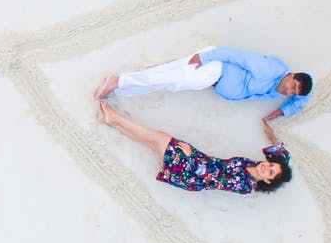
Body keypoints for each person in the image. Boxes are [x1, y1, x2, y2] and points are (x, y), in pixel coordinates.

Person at [96, 102, 292, 194]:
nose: (267, 167)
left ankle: (114, 118)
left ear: (268, 180)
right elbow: (278, 153)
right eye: (270, 164)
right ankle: (113, 122)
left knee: (158, 139)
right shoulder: (256, 164)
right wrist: (280, 158)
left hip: (192, 173)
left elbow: (210, 177)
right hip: (200, 159)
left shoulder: (244, 185)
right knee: (153, 142)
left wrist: (189, 156)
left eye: (270, 172)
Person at [95, 46, 314, 123]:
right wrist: (205, 57)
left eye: (293, 91)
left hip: (212, 79)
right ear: (290, 75)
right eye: (292, 84)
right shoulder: (269, 69)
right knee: (171, 80)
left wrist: (279, 113)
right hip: (215, 67)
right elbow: (237, 55)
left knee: (169, 81)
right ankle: (118, 81)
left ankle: (121, 85)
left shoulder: (278, 92)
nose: (289, 90)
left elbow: (302, 99)